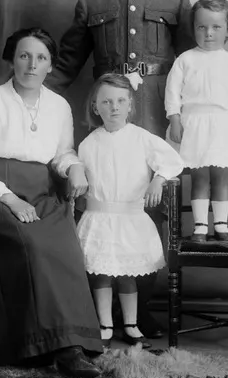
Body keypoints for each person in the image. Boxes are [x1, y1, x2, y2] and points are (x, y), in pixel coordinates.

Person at [45, 0, 193, 338]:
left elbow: (191, 66)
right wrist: (25, 95)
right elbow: (68, 62)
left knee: (151, 211)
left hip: (154, 117)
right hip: (108, 121)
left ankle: (141, 310)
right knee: (104, 210)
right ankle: (102, 312)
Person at [0, 27, 103, 378]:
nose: (31, 64)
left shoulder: (58, 106)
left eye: (40, 58)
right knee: (33, 243)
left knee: (66, 245)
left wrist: (76, 168)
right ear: (12, 59)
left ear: (50, 65)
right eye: (24, 56)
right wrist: (8, 199)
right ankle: (39, 344)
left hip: (40, 190)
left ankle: (72, 345)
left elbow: (62, 154)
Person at [76, 74, 184, 348]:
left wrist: (158, 179)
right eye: (106, 101)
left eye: (120, 101)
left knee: (127, 274)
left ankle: (131, 323)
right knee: (101, 272)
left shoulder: (142, 138)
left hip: (130, 218)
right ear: (95, 107)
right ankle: (105, 324)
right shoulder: (89, 144)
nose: (114, 107)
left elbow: (172, 160)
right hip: (99, 217)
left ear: (129, 106)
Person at [165, 0, 228, 242]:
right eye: (201, 27)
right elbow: (172, 93)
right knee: (199, 176)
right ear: (193, 28)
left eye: (216, 27)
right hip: (194, 125)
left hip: (222, 127)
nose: (208, 33)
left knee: (220, 176)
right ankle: (199, 227)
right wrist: (175, 119)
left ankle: (220, 225)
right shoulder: (185, 60)